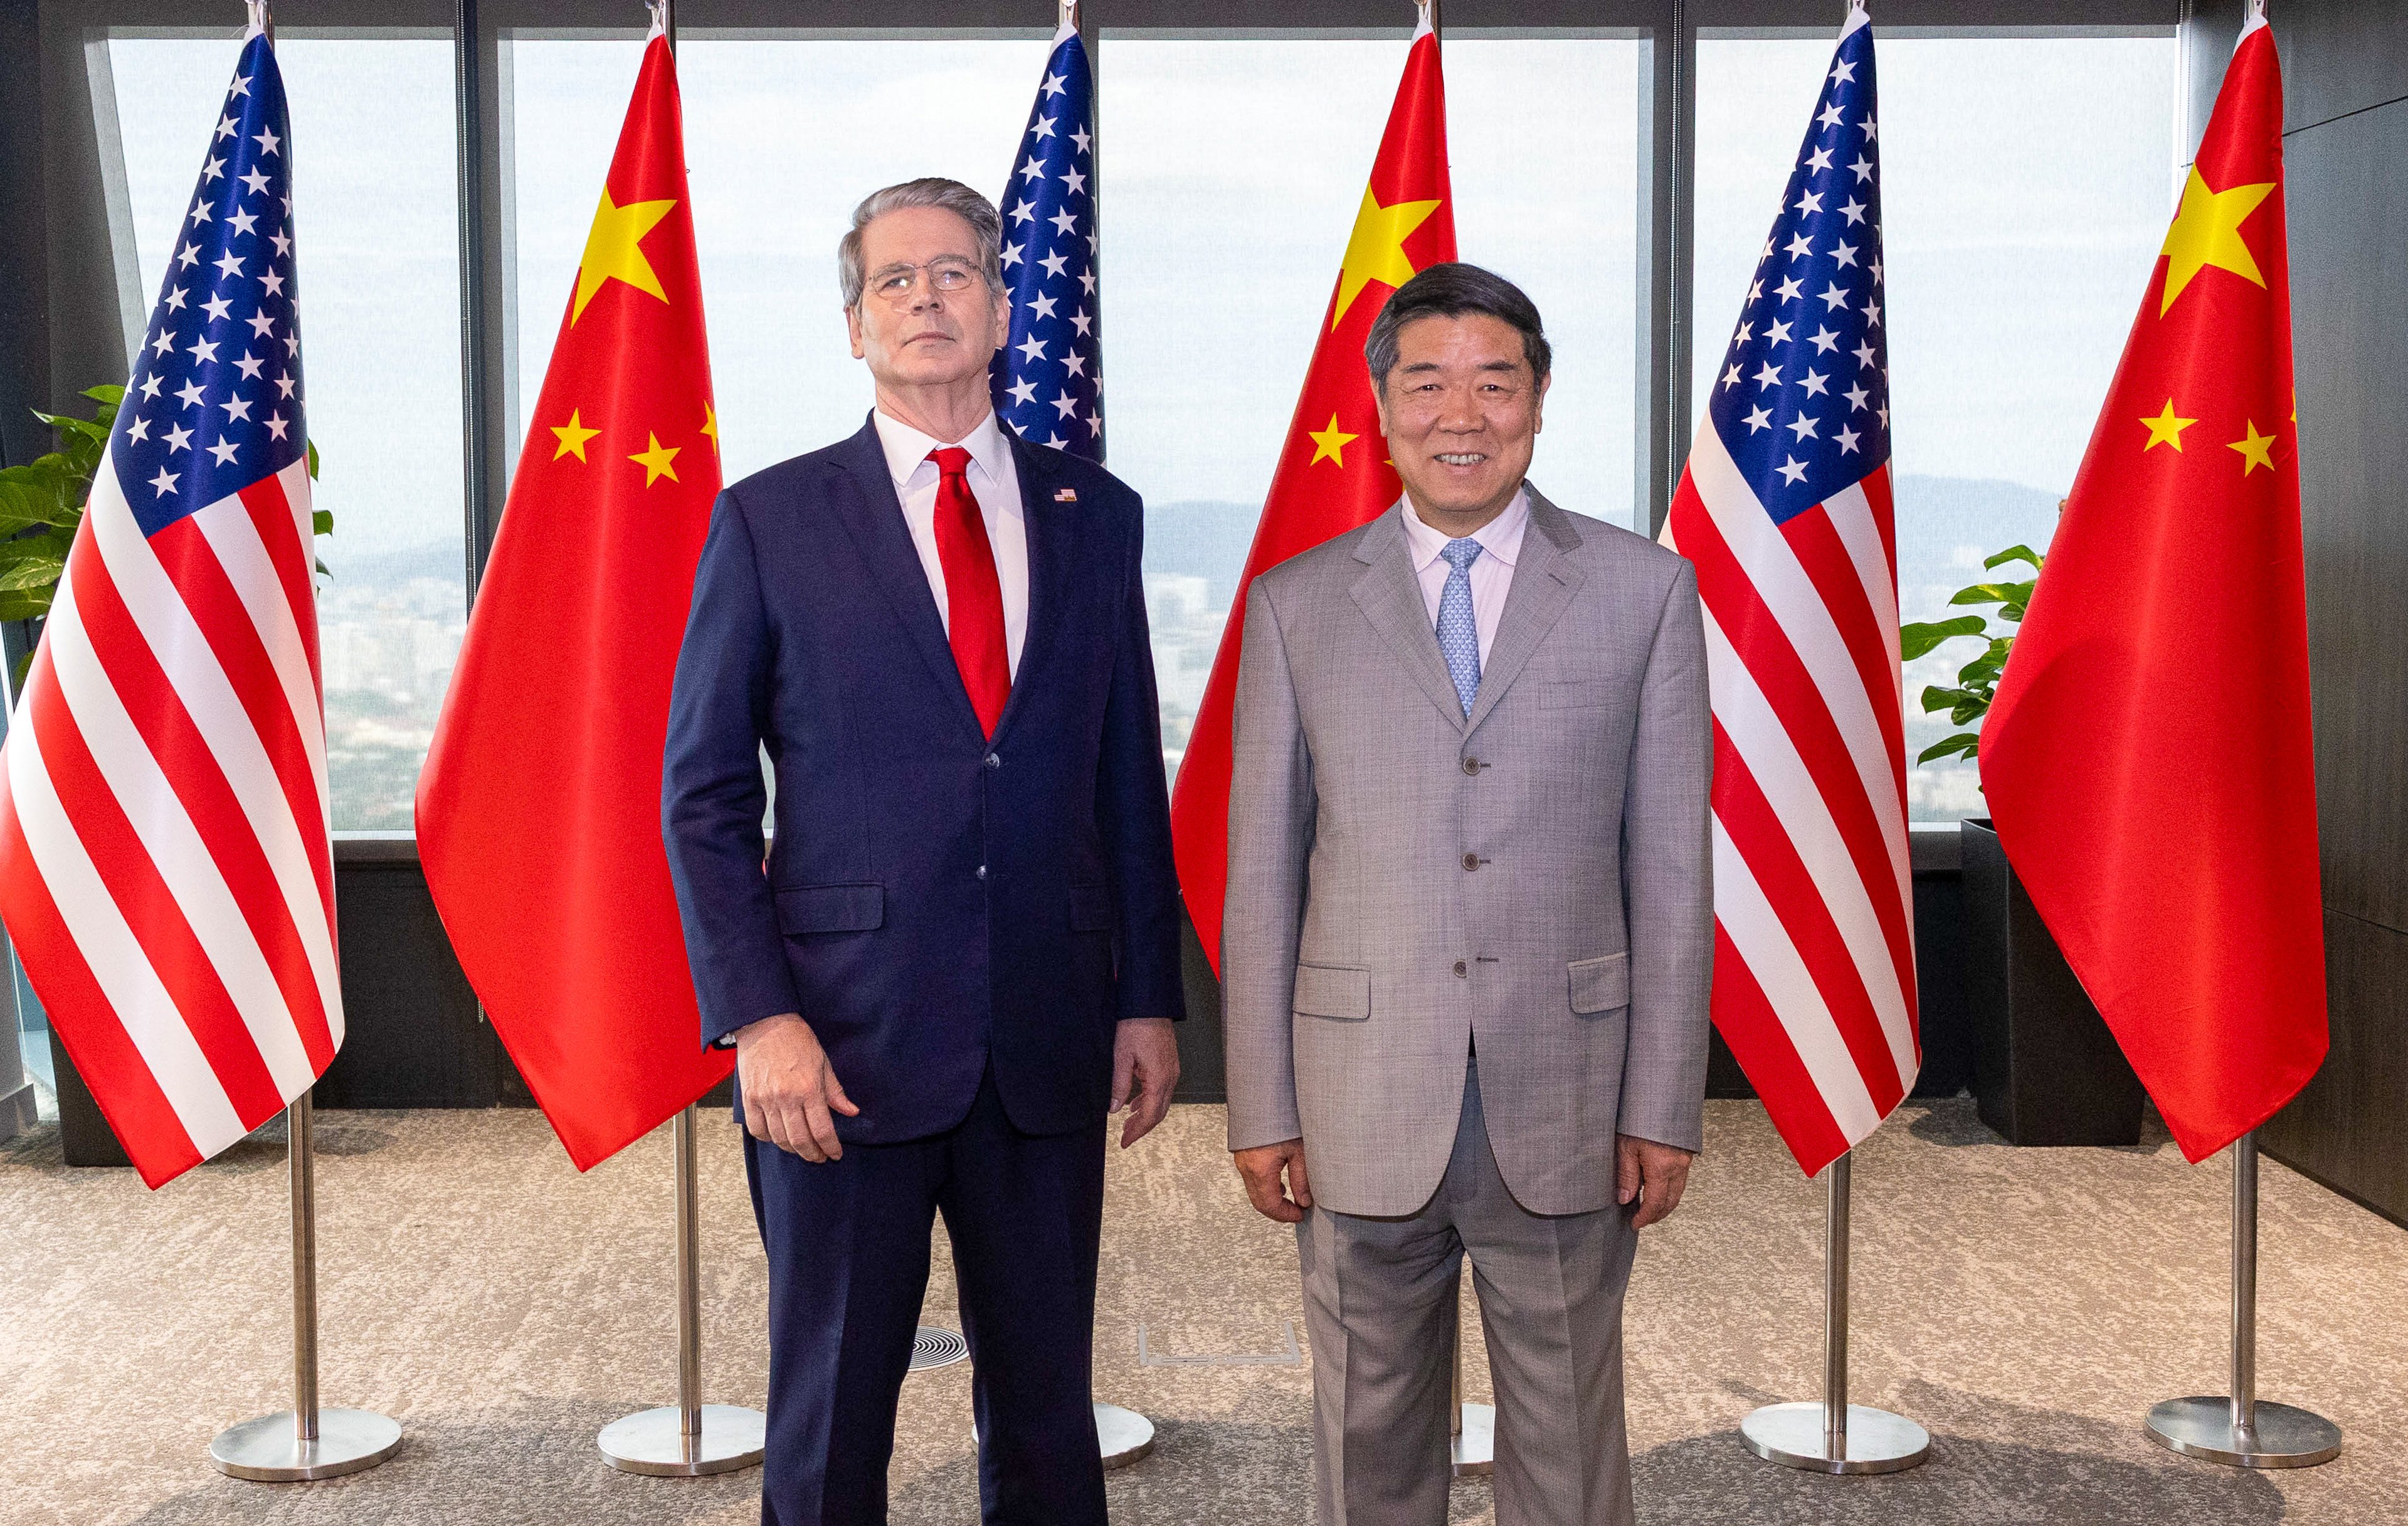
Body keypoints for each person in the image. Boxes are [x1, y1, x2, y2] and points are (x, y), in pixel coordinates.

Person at [662, 177, 1186, 1526]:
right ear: (855, 326)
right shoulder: (770, 518)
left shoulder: (1097, 511)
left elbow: (1124, 770)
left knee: (1048, 1415)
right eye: (893, 281)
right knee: (833, 1413)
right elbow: (705, 797)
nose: (925, 299)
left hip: (1048, 1033)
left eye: (954, 273)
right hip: (837, 1050)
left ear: (1004, 310)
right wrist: (759, 1021)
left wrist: (1148, 994)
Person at [1220, 262, 1713, 1526]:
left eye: (1494, 382)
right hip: (1356, 1094)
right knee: (1367, 1427)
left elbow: (1668, 867)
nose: (1462, 413)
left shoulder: (1641, 590)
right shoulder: (1295, 605)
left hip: (1570, 1090)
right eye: (1426, 382)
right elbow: (1264, 876)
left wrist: (1664, 1100)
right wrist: (1262, 1103)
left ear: (1537, 402)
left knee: (1567, 1429)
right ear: (1382, 410)